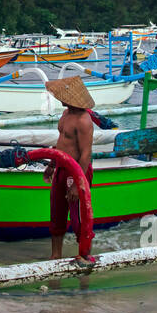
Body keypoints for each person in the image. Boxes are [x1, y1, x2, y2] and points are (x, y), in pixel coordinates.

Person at [43, 77, 96, 265]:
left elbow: (85, 154)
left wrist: (77, 183)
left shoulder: (84, 120)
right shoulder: (65, 114)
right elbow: (61, 144)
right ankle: (55, 255)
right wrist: (51, 165)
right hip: (61, 168)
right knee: (56, 212)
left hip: (77, 171)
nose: (59, 98)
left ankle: (84, 253)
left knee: (79, 218)